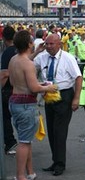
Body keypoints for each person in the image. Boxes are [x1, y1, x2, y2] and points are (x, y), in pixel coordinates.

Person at [8, 30, 57, 180]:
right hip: (26, 104)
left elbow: (14, 80)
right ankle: (21, 175)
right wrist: (48, 87)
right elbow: (35, 88)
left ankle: (29, 172)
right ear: (29, 44)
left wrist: (36, 53)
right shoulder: (28, 64)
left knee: (26, 139)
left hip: (15, 101)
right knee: (23, 142)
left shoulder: (13, 60)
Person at [33, 33, 83, 176]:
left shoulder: (68, 58)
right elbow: (28, 63)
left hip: (64, 95)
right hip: (48, 96)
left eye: (51, 44)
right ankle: (55, 160)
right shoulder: (42, 57)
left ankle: (60, 164)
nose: (48, 47)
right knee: (52, 130)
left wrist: (76, 98)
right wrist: (37, 51)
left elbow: (78, 78)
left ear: (59, 44)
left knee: (60, 131)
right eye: (47, 44)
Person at [0, 26, 18, 155]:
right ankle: (24, 141)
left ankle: (10, 142)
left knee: (6, 117)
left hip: (8, 89)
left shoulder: (7, 53)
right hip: (20, 88)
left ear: (4, 37)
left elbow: (5, 74)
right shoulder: (18, 50)